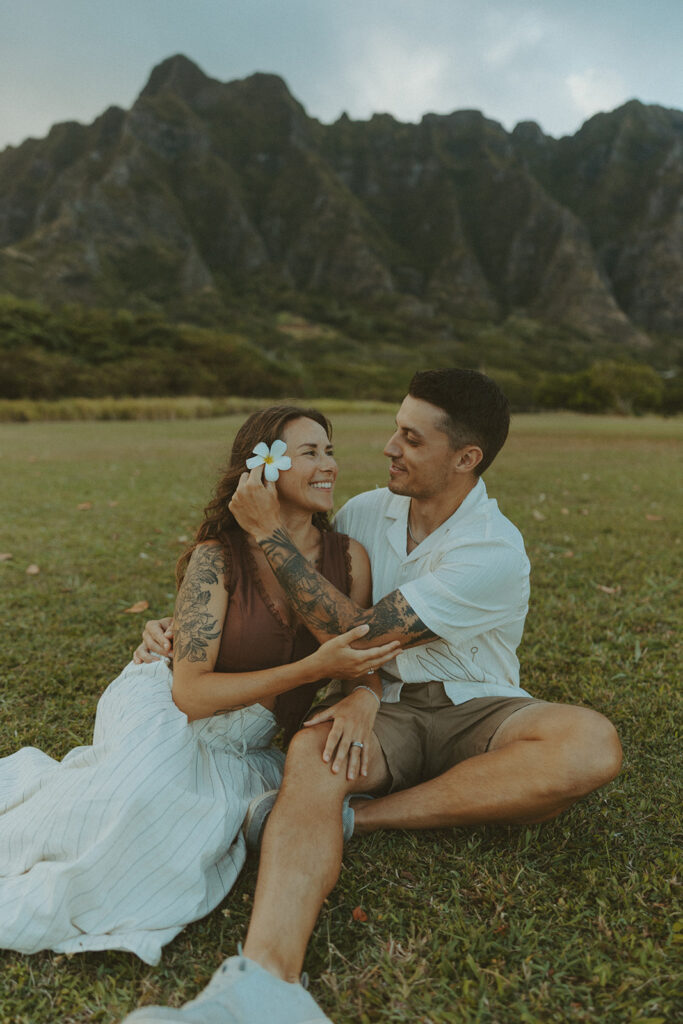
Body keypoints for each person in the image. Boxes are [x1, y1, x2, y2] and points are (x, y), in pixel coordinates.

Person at [127, 369, 622, 1024]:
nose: (388, 445)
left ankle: (356, 819)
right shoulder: (362, 512)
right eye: (394, 428)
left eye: (411, 439)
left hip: (478, 708)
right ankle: (263, 982)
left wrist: (269, 535)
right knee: (311, 757)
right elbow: (285, 593)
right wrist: (179, 627)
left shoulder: (491, 550)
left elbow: (354, 634)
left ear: (464, 458)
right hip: (380, 712)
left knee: (588, 745)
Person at [0, 405, 398, 969]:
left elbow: (360, 652)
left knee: (186, 832)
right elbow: (189, 694)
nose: (329, 464)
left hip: (250, 744)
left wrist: (363, 692)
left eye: (328, 450)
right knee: (132, 805)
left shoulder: (349, 559)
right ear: (264, 468)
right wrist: (313, 671)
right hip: (171, 714)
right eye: (309, 453)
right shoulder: (217, 559)